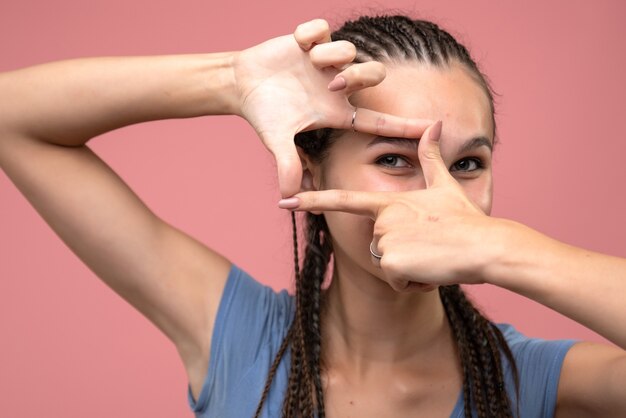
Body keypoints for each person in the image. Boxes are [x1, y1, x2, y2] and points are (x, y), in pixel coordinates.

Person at [0, 13, 624, 418]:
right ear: (315, 170)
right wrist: (230, 81)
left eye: (468, 165)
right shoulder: (241, 341)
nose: (445, 199)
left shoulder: (537, 384)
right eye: (395, 159)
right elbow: (13, 118)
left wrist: (498, 247)